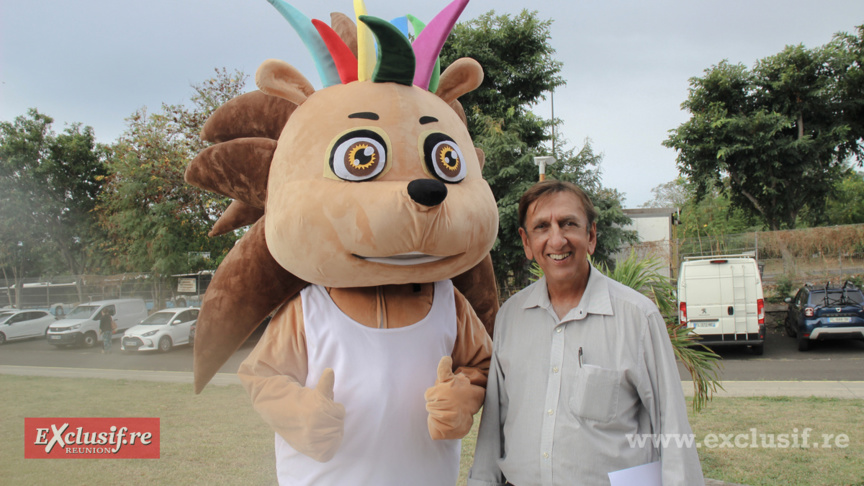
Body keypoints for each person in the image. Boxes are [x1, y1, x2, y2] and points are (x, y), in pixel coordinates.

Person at [468, 180, 704, 486]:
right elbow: (494, 424)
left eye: (568, 224)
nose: (557, 240)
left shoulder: (637, 317)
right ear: (526, 242)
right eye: (542, 227)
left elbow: (672, 428)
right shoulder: (511, 317)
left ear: (590, 235)